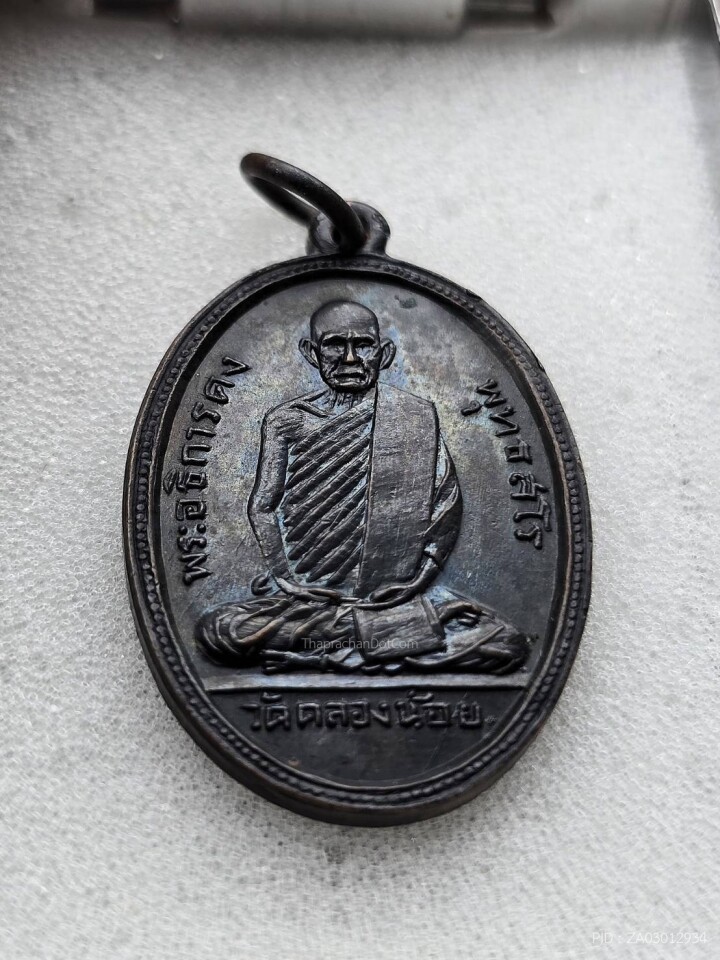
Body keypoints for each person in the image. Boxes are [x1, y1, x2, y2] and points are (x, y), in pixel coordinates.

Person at [198, 300, 529, 674]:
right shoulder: (286, 421)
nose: (350, 358)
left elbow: (446, 504)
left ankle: (339, 646)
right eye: (335, 345)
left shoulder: (413, 416)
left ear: (384, 354)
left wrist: (417, 582)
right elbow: (262, 505)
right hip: (310, 600)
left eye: (363, 345)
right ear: (311, 352)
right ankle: (394, 639)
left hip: (393, 597)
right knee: (221, 631)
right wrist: (288, 581)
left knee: (507, 642)